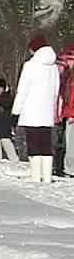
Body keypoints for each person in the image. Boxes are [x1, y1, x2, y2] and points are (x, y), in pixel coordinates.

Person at [12, 34, 61, 183]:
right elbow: (56, 90)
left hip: (31, 110)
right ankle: (46, 177)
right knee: (46, 144)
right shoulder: (53, 67)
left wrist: (16, 111)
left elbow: (23, 91)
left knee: (33, 143)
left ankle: (35, 176)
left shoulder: (30, 66)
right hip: (46, 111)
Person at [57, 44, 74, 177]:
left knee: (71, 142)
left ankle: (70, 169)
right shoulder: (68, 76)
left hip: (71, 113)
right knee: (68, 142)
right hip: (67, 112)